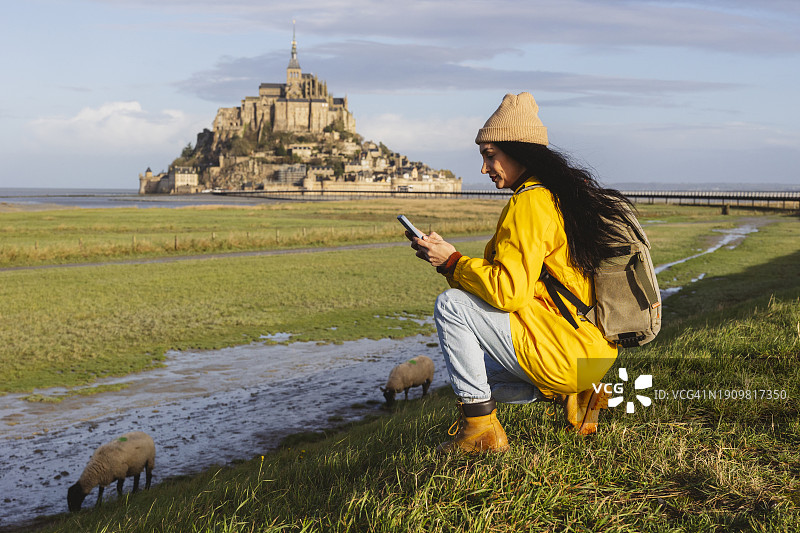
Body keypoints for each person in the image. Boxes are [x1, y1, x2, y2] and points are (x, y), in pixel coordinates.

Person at [409, 92, 634, 453]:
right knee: (469, 374)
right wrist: (449, 262)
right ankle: (576, 394)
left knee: (452, 305)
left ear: (519, 152)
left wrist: (454, 263)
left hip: (565, 351)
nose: (484, 169)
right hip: (590, 355)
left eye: (490, 155)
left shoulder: (529, 202)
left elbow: (509, 292)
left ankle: (481, 431)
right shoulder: (557, 196)